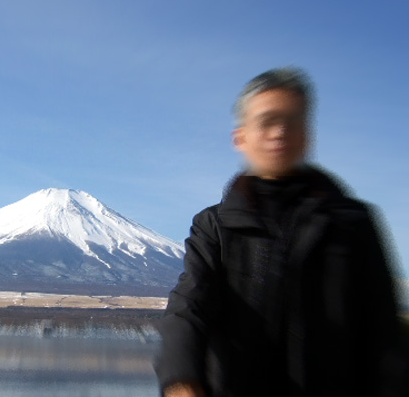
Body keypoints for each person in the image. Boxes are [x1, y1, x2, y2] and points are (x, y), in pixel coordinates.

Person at [154, 67, 407, 397]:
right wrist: (181, 379)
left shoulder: (352, 224)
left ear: (308, 135)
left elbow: (383, 335)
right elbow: (188, 308)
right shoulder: (215, 227)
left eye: (293, 121)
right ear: (240, 137)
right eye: (267, 121)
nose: (280, 132)